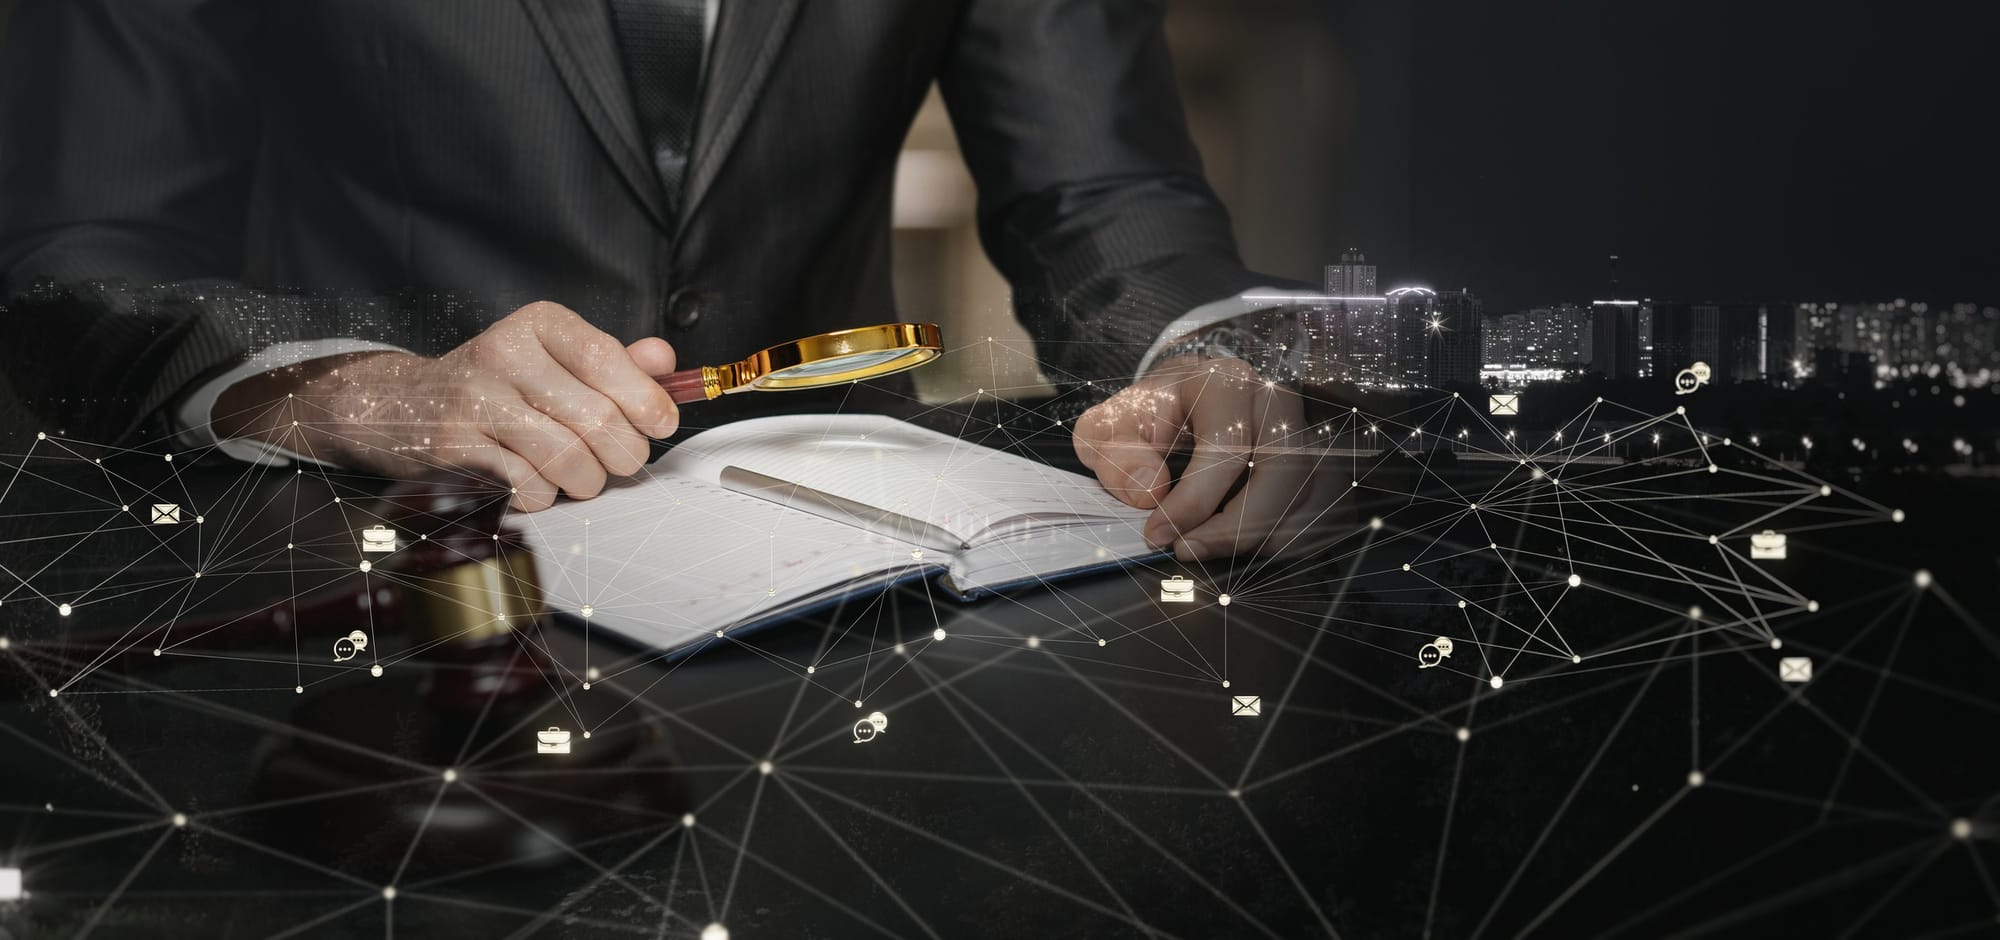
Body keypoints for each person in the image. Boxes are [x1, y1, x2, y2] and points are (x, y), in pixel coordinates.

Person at [0, 0, 1316, 560]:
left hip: (854, 598)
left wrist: (1201, 347)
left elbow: (1105, 189)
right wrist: (340, 393)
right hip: (374, 588)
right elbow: (77, 267)